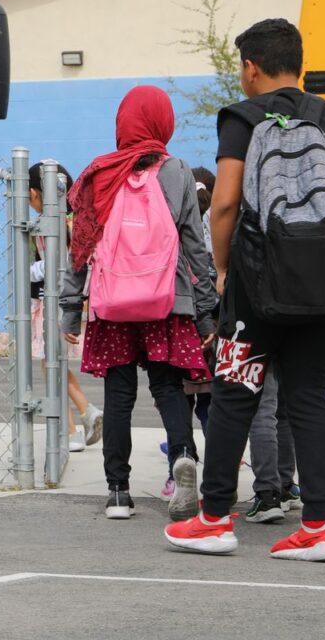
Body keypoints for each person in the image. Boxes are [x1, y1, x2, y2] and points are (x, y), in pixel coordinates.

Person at [165, 17, 325, 562]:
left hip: (256, 285)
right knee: (310, 396)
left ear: (250, 67)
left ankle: (213, 520)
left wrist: (224, 271)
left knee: (233, 394)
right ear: (300, 63)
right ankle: (320, 527)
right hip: (323, 284)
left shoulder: (244, 118)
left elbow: (224, 202)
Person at [60, 86, 217, 522]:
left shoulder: (98, 174)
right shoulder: (178, 171)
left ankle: (117, 491)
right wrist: (205, 309)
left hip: (113, 304)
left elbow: (80, 246)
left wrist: (71, 307)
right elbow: (194, 247)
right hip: (168, 300)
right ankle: (183, 457)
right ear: (163, 123)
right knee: (169, 388)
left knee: (119, 394)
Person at [27, 162, 103, 452]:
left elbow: (58, 263)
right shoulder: (73, 218)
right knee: (53, 365)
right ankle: (80, 420)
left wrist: (28, 271)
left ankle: (76, 424)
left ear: (35, 193)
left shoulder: (49, 222)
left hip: (55, 302)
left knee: (52, 365)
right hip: (71, 302)